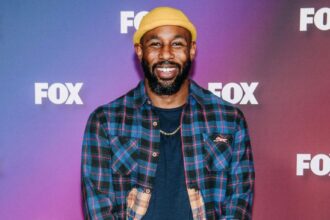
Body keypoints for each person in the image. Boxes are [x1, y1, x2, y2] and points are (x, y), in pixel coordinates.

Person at [81, 6, 255, 220]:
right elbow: (99, 210)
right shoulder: (106, 122)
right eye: (155, 44)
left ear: (191, 50)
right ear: (139, 51)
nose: (166, 54)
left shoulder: (228, 120)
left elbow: (238, 202)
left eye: (177, 44)